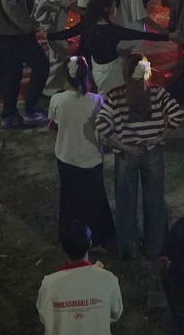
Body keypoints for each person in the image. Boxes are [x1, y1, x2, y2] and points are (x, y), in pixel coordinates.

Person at [96, 54, 184, 259]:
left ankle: (129, 249)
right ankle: (155, 247)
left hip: (126, 155)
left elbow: (101, 123)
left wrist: (120, 145)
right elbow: (176, 115)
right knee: (154, 199)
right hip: (152, 153)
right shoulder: (157, 92)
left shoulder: (116, 95)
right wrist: (160, 137)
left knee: (125, 202)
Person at [48, 56, 115, 251]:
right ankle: (99, 236)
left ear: (65, 76)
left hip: (66, 157)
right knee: (94, 199)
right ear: (87, 75)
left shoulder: (57, 100)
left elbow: (54, 123)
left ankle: (70, 236)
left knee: (70, 199)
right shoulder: (96, 100)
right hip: (90, 158)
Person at [36, 219, 123, 333]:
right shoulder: (108, 280)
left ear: (62, 249)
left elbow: (45, 317)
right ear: (90, 243)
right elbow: (116, 313)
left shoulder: (49, 284)